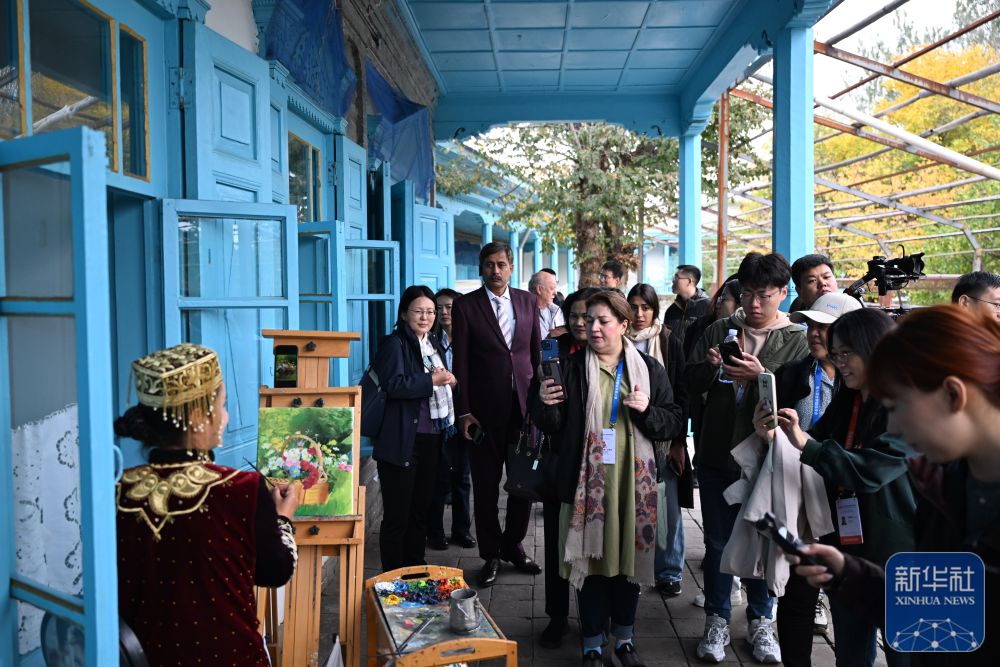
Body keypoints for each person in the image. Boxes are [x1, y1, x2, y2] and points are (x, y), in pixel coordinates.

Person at [790, 306, 1000, 666]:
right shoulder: (949, 488)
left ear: (953, 394)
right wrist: (852, 575)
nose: (894, 428)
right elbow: (939, 618)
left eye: (896, 405)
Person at [114, 343, 301, 666]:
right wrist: (282, 518)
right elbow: (275, 570)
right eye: (222, 405)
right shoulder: (240, 489)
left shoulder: (119, 491)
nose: (225, 417)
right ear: (198, 416)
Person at [752, 308, 915, 667]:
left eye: (847, 353)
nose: (839, 362)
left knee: (905, 653)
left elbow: (870, 469)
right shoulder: (850, 399)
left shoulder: (909, 404)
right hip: (847, 544)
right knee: (851, 652)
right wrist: (777, 432)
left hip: (898, 553)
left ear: (874, 348)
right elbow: (813, 443)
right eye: (835, 353)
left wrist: (806, 444)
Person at [530, 289, 684, 667]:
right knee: (592, 565)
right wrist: (542, 402)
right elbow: (551, 426)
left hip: (632, 484)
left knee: (628, 566)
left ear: (624, 325)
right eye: (588, 320)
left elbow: (672, 421)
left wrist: (647, 410)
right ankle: (592, 644)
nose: (593, 328)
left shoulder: (648, 369)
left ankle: (625, 641)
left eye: (603, 321)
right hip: (585, 485)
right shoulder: (570, 369)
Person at [684, 252, 809, 664]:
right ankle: (717, 619)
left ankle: (761, 621)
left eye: (764, 295)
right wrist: (708, 367)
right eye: (748, 294)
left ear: (783, 293)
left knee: (766, 537)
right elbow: (688, 383)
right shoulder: (720, 329)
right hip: (718, 452)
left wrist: (761, 376)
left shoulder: (797, 338)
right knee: (718, 542)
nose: (754, 304)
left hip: (769, 457)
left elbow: (801, 399)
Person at [774, 292, 862, 665]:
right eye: (810, 325)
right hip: (803, 499)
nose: (814, 333)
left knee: (852, 605)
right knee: (797, 596)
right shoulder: (791, 373)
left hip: (850, 505)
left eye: (824, 327)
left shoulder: (865, 391)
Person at [452, 241, 542, 587]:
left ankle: (513, 546)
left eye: (501, 264)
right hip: (483, 415)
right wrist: (464, 412)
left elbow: (535, 354)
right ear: (481, 268)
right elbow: (461, 362)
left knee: (523, 484)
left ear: (511, 267)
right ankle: (490, 554)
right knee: (486, 487)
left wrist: (541, 404)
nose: (495, 271)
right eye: (489, 264)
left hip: (524, 411)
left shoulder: (527, 301)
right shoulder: (466, 306)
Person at [370, 285, 457, 571]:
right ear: (404, 314)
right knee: (398, 516)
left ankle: (415, 570)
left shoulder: (432, 343)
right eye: (419, 311)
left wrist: (448, 380)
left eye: (430, 312)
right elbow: (393, 385)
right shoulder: (394, 344)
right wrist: (432, 380)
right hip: (402, 440)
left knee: (420, 511)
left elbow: (438, 380)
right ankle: (392, 578)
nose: (426, 317)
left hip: (431, 438)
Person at [539, 287, 599, 650]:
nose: (579, 322)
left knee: (598, 544)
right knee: (558, 545)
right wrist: (543, 401)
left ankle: (598, 619)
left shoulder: (612, 351)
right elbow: (545, 415)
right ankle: (558, 617)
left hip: (602, 465)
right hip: (562, 464)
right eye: (573, 315)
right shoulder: (553, 350)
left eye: (586, 316)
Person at [626, 283, 692, 598]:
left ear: (655, 310)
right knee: (631, 507)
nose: (639, 314)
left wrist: (679, 442)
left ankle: (669, 571)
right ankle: (634, 568)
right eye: (634, 307)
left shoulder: (668, 341)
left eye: (646, 307)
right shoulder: (617, 340)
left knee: (667, 508)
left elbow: (681, 394)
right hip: (629, 437)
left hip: (664, 439)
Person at [427, 287, 476, 551]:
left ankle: (462, 530)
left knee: (462, 475)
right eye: (439, 308)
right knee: (439, 475)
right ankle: (435, 532)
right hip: (439, 416)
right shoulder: (430, 340)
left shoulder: (471, 338)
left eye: (450, 307)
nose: (444, 312)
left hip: (464, 413)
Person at [664, 265, 711, 346]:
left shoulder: (708, 307)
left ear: (689, 281)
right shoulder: (671, 310)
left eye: (676, 277)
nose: (673, 281)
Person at [531, 270, 567, 339]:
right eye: (552, 288)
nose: (555, 293)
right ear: (539, 289)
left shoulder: (556, 310)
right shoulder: (522, 311)